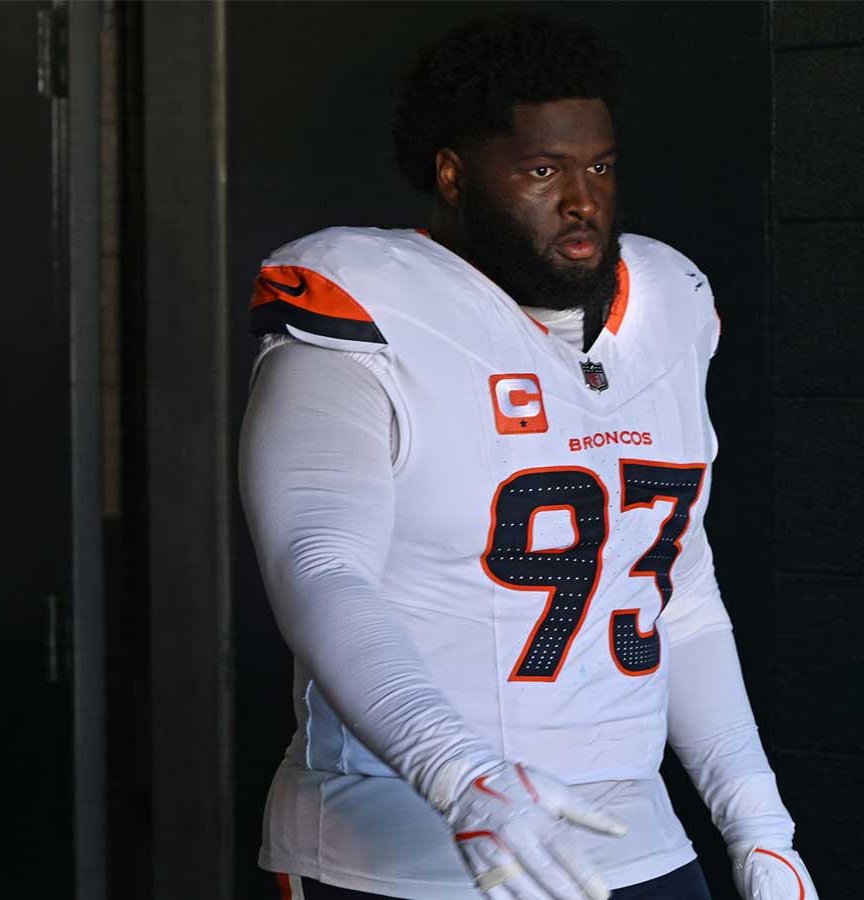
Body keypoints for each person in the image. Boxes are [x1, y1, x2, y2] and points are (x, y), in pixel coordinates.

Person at [239, 13, 819, 900]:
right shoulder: (365, 308)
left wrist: (759, 825)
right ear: (453, 174)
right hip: (400, 847)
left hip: (631, 839)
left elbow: (679, 597)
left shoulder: (668, 305)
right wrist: (461, 773)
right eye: (544, 171)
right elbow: (317, 568)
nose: (583, 200)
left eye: (600, 168)